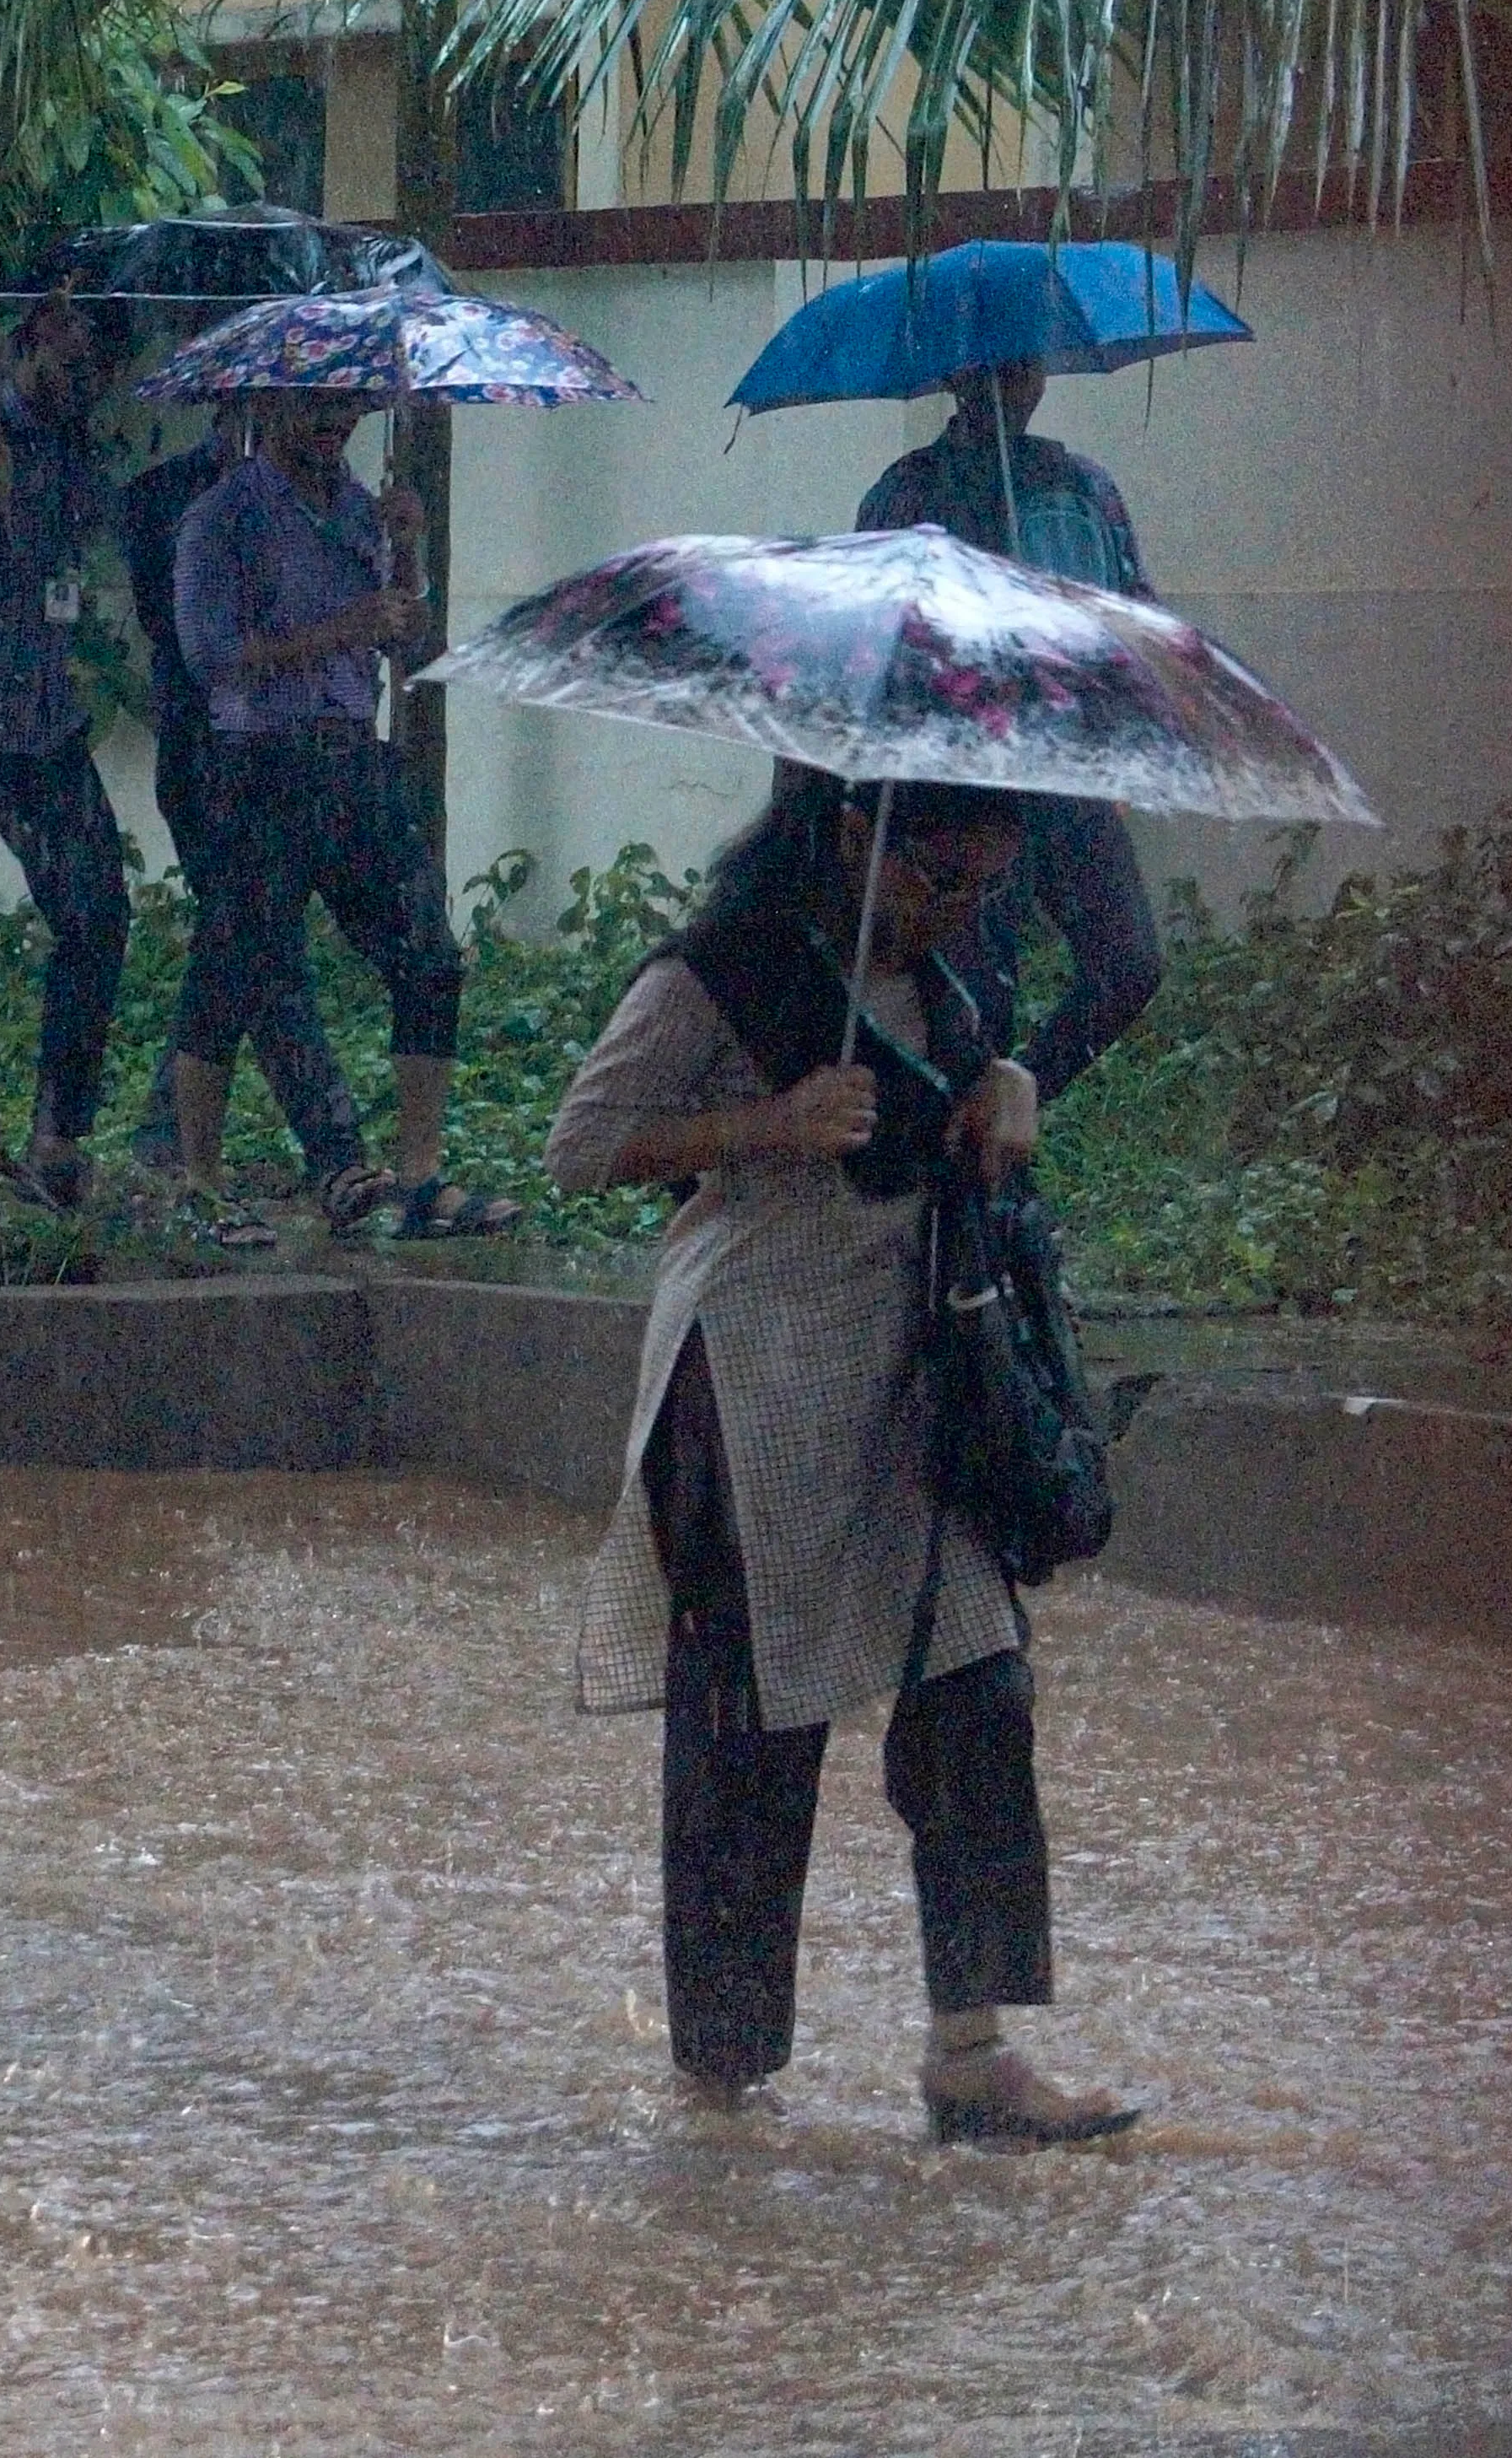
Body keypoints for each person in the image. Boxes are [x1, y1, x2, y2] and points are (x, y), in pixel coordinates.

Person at [544, 767, 1138, 2145]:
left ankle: (973, 2052)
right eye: (945, 879)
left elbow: (947, 1114)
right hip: (747, 1386)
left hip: (907, 1381)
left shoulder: (948, 976)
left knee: (978, 1688)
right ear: (859, 831)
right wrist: (767, 1125)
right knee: (752, 1729)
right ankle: (722, 2083)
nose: (961, 911)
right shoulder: (721, 970)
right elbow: (579, 1146)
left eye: (990, 887)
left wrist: (1004, 1092)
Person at [169, 391, 519, 1238]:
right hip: (258, 764)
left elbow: (405, 642)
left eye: (352, 406)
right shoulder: (224, 517)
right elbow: (209, 654)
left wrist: (411, 554)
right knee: (235, 968)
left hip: (354, 760)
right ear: (269, 403)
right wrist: (336, 630)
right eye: (317, 405)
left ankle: (422, 1178)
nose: (337, 422)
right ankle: (202, 1186)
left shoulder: (365, 512)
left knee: (429, 957)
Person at [858, 360, 1166, 1100]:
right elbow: (871, 634)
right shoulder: (909, 492)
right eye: (990, 372)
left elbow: (1131, 614)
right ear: (954, 380)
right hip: (953, 785)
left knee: (1128, 963)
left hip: (1065, 771)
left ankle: (1015, 1098)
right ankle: (969, 1172)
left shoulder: (1082, 487)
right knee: (970, 1002)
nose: (1009, 386)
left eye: (1024, 368)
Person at [121, 414, 367, 1205]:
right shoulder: (182, 502)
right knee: (256, 947)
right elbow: (195, 647)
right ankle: (329, 1151)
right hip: (210, 752)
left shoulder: (335, 501)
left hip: (295, 751)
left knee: (247, 946)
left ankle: (175, 1137)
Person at [0, 291, 135, 1209]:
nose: (84, 386)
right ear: (30, 338)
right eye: (71, 365)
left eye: (98, 375)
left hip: (43, 726)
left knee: (99, 915)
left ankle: (59, 1135)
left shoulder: (74, 453)